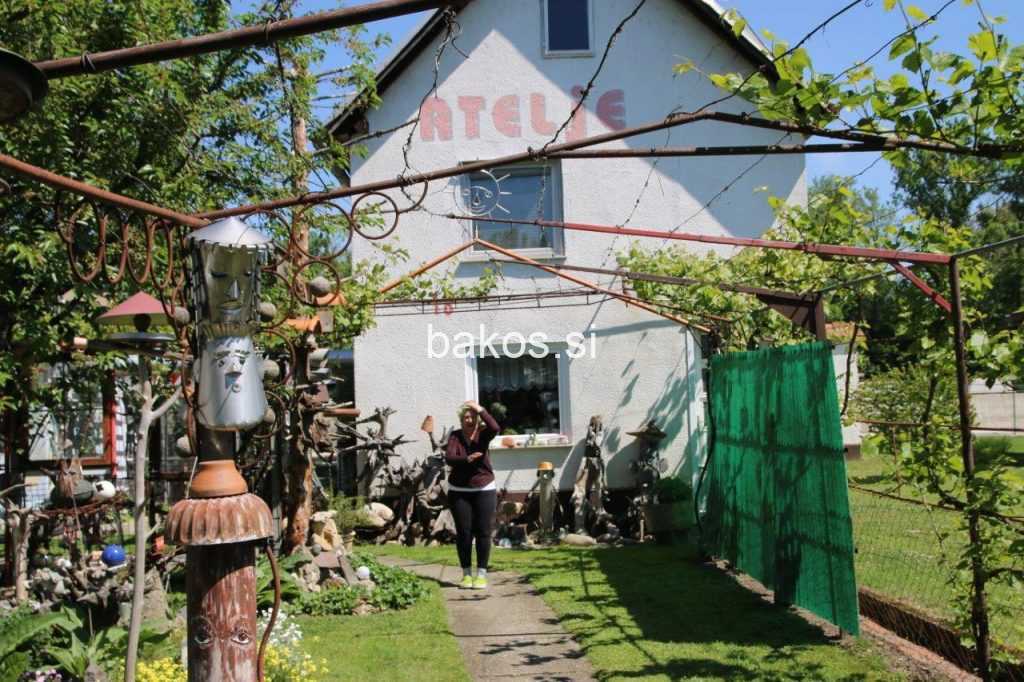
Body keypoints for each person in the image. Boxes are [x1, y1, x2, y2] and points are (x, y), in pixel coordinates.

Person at [445, 399, 499, 589]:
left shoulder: (484, 433)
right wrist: (467, 459)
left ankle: (481, 575)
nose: (469, 419)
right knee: (464, 533)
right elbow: (449, 458)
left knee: (483, 532)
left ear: (477, 419)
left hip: (484, 488)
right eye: (466, 417)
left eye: (472, 416)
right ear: (461, 420)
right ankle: (467, 575)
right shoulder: (455, 436)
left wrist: (480, 409)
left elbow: (495, 427)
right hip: (459, 490)